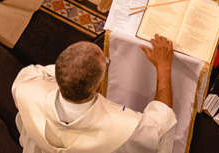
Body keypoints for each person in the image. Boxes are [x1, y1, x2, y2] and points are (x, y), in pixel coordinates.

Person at [12, 38, 177, 153]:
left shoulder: (26, 88)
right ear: (98, 86)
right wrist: (164, 67)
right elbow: (161, 124)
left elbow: (41, 72)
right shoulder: (124, 127)